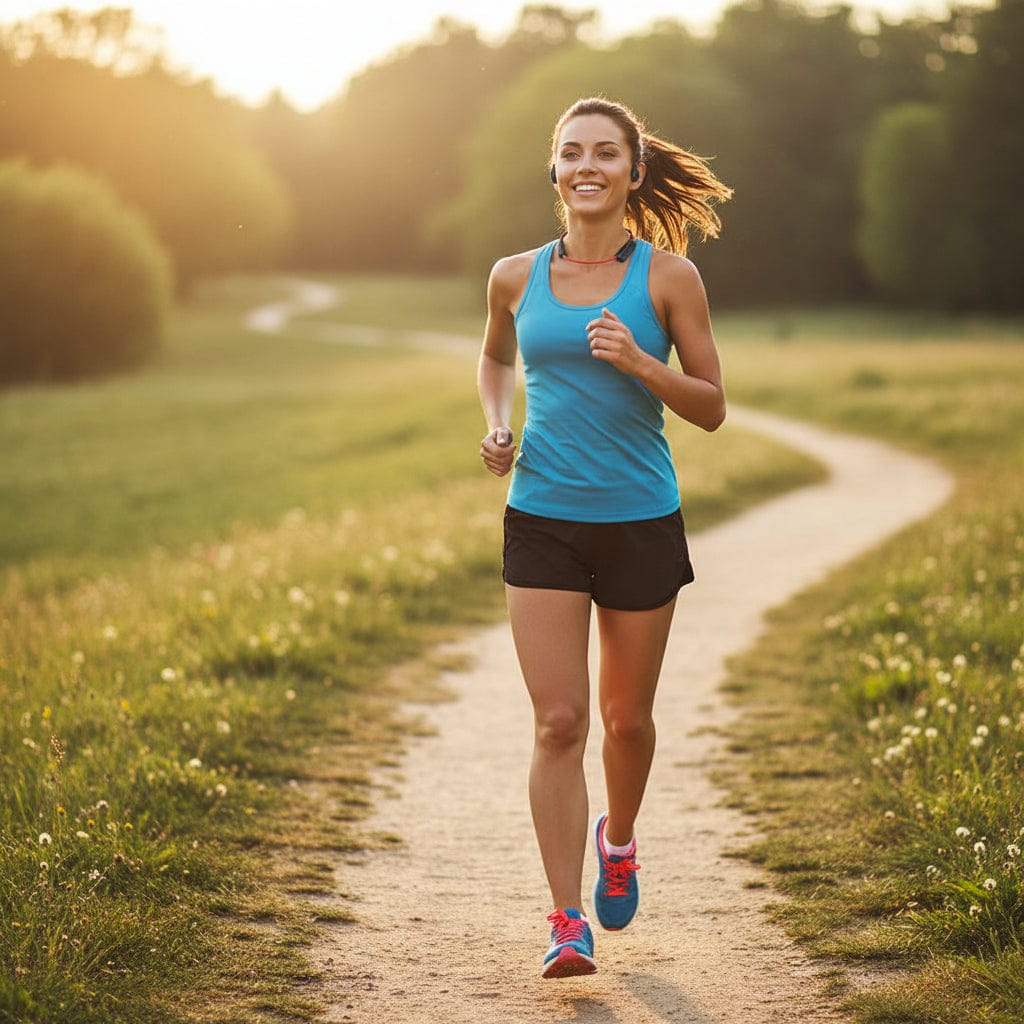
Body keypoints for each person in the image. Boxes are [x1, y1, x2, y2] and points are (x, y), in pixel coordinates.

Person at [477, 96, 732, 979]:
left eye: (606, 153)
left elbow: (711, 408)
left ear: (632, 170)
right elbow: (495, 357)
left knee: (627, 722)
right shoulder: (514, 274)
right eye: (571, 152)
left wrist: (640, 361)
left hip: (639, 520)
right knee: (559, 722)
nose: (588, 165)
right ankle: (564, 918)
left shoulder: (668, 280)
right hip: (542, 515)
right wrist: (496, 424)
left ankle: (618, 839)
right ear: (554, 170)